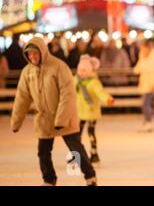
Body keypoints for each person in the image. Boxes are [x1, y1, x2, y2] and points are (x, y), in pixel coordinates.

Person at [10, 37, 97, 186]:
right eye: (29, 54)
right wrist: (16, 122)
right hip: (44, 118)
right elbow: (22, 98)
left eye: (35, 54)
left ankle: (90, 176)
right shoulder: (27, 72)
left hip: (65, 117)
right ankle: (49, 179)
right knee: (43, 152)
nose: (32, 57)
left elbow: (67, 94)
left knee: (75, 149)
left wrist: (61, 120)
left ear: (42, 51)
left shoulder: (58, 67)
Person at [75, 55, 114, 164]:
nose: (81, 73)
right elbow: (68, 90)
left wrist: (108, 99)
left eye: (84, 70)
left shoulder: (93, 82)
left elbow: (101, 93)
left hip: (91, 111)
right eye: (79, 70)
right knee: (77, 135)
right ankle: (79, 155)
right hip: (80, 111)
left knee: (91, 133)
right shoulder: (76, 80)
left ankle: (94, 153)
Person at [133, 39, 154, 132]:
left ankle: (148, 123)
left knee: (146, 104)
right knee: (146, 104)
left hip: (151, 85)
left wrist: (153, 85)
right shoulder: (142, 56)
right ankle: (146, 122)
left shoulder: (153, 57)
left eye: (143, 48)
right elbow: (138, 68)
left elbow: (150, 70)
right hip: (144, 84)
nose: (142, 50)